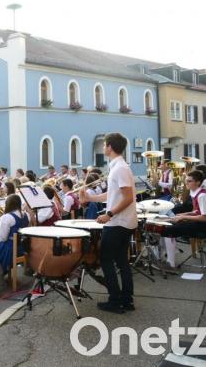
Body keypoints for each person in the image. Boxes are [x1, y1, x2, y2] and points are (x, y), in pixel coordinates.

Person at [80, 132, 137, 314]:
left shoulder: (120, 168)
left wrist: (109, 214)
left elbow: (128, 198)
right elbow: (113, 194)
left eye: (105, 145)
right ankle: (126, 300)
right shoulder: (118, 167)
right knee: (121, 261)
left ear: (110, 147)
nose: (104, 148)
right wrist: (90, 198)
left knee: (106, 259)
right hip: (122, 221)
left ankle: (115, 300)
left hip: (118, 222)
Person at [162, 170, 206, 268]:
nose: (186, 183)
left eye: (189, 181)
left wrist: (183, 217)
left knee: (168, 229)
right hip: (199, 222)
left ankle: (170, 262)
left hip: (205, 227)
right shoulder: (195, 192)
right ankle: (170, 253)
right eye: (186, 181)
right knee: (167, 224)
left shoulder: (202, 195)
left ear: (198, 182)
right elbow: (197, 211)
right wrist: (182, 214)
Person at [0, 195, 30, 274]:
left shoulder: (6, 217)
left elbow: (3, 238)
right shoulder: (27, 215)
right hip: (23, 247)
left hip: (10, 250)